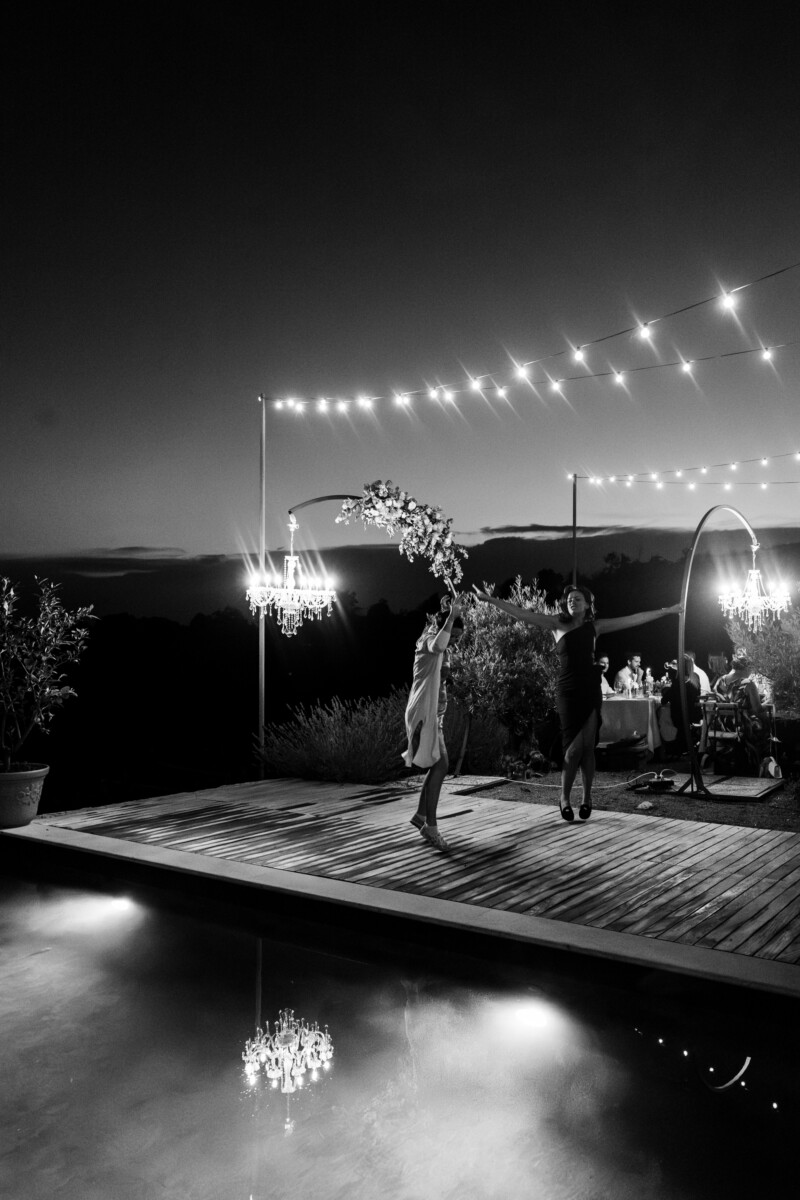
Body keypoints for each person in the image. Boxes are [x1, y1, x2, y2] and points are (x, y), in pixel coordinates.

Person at [473, 584, 682, 822]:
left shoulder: (595, 627)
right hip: (568, 691)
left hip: (590, 689)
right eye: (569, 599)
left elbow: (632, 619)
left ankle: (587, 798)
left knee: (587, 748)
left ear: (587, 604)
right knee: (572, 750)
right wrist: (490, 600)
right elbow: (522, 613)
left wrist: (667, 610)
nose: (572, 601)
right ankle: (564, 798)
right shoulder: (556, 624)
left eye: (578, 599)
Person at [403, 590, 464, 851]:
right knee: (441, 765)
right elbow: (438, 644)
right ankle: (431, 826)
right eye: (455, 637)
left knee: (436, 765)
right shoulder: (428, 640)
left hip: (434, 714)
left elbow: (443, 665)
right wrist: (452, 616)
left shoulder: (443, 649)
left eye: (459, 639)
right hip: (424, 713)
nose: (455, 643)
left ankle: (420, 815)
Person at [660, 655, 701, 757]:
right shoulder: (695, 678)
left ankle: (662, 747)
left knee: (661, 714)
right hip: (694, 714)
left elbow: (664, 700)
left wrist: (665, 689)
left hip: (680, 716)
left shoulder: (678, 681)